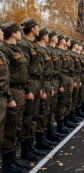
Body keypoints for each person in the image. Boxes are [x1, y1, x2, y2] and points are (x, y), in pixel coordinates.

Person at [0, 21, 31, 172]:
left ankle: (13, 158)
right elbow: (4, 76)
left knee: (16, 125)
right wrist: (9, 97)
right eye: (18, 31)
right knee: (10, 128)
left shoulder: (15, 48)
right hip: (11, 91)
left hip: (19, 91)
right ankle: (7, 162)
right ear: (13, 33)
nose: (21, 33)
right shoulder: (4, 49)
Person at [18, 17, 48, 160]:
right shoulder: (24, 45)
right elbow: (25, 70)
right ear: (31, 29)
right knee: (28, 118)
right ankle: (25, 150)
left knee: (34, 116)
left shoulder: (34, 45)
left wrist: (41, 88)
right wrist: (28, 89)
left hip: (37, 83)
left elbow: (40, 69)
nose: (38, 29)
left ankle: (32, 147)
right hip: (30, 83)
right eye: (36, 27)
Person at [35, 27, 58, 149]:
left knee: (47, 110)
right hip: (39, 83)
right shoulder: (35, 49)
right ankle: (38, 140)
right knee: (38, 113)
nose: (50, 37)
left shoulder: (45, 50)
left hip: (48, 82)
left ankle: (45, 135)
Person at [45, 30, 65, 141]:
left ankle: (53, 129)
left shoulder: (54, 51)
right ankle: (45, 134)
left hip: (55, 81)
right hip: (49, 81)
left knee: (54, 107)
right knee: (46, 110)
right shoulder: (47, 50)